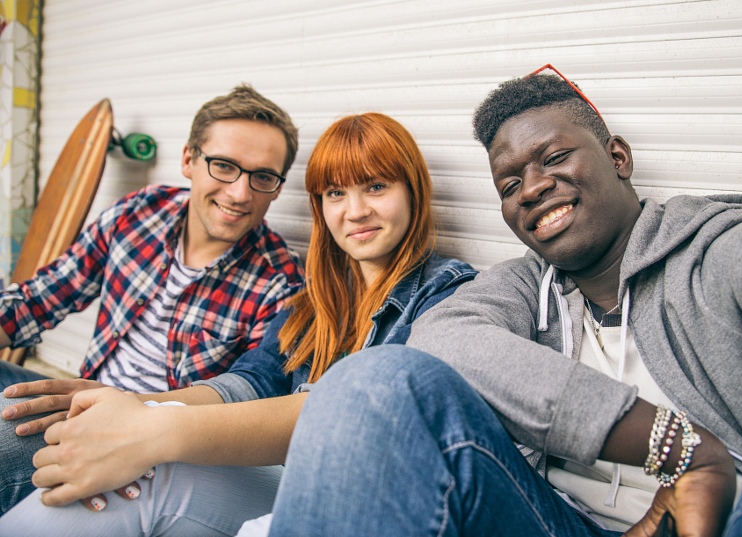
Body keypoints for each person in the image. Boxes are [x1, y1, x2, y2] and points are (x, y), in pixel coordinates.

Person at [261, 69, 742, 537]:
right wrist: (678, 446)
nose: (533, 187)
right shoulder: (522, 286)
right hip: (557, 523)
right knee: (371, 378)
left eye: (554, 157)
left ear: (617, 157)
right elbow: (441, 340)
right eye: (510, 185)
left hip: (735, 522)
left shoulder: (715, 250)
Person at [0, 112, 477, 536]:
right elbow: (251, 380)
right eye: (336, 193)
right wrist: (131, 407)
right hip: (255, 465)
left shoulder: (444, 293)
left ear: (414, 191)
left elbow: (350, 416)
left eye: (376, 187)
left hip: (347, 496)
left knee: (158, 470)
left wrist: (151, 427)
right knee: (20, 419)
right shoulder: (316, 298)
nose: (355, 211)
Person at [0, 84, 305, 515]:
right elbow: (41, 298)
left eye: (262, 177)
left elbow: (250, 396)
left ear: (277, 188)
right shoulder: (139, 213)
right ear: (188, 160)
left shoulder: (281, 283)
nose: (240, 193)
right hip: (80, 397)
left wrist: (138, 424)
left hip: (155, 440)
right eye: (224, 166)